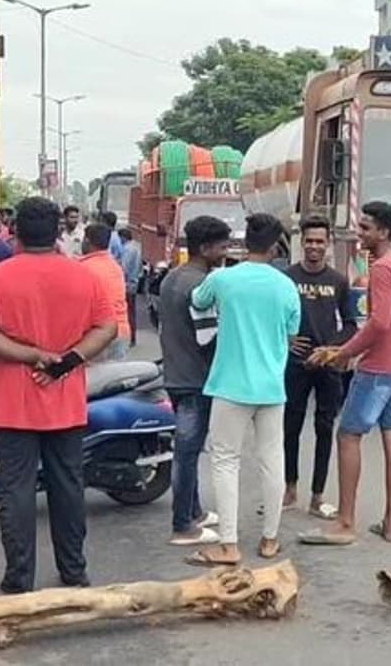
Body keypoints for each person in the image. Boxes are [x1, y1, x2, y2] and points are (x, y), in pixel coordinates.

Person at [0, 197, 117, 594]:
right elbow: (107, 328)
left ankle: (19, 580)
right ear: (59, 232)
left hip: (10, 407)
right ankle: (74, 571)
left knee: (14, 494)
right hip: (66, 403)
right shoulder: (83, 277)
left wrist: (31, 355)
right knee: (68, 488)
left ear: (15, 231)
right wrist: (66, 362)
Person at [300, 201, 391, 546]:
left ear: (384, 232)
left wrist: (343, 352)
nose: (359, 233)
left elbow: (379, 323)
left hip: (379, 368)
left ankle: (345, 523)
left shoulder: (382, 268)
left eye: (366, 228)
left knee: (348, 435)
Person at [185, 213, 300, 567]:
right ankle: (270, 539)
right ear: (276, 246)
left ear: (244, 242)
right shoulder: (286, 286)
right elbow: (292, 334)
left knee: (225, 461)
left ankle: (229, 544)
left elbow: (198, 300)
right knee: (272, 460)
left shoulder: (223, 279)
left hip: (230, 385)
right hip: (271, 387)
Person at [161, 215, 233, 546]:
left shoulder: (172, 278)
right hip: (196, 379)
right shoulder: (202, 286)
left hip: (176, 374)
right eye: (222, 247)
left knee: (187, 449)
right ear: (205, 248)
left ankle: (195, 511)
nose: (226, 252)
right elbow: (209, 338)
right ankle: (182, 526)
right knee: (187, 453)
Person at [282, 215, 357, 520]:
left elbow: (350, 325)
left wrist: (330, 349)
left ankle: (317, 496)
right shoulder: (287, 278)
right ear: (302, 243)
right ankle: (289, 490)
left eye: (320, 241)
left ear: (328, 244)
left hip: (328, 366)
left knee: (325, 428)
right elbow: (273, 317)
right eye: (309, 241)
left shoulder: (338, 281)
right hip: (295, 364)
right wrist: (286, 340)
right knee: (290, 427)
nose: (314, 246)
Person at [79, 224, 132, 361]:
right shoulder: (115, 267)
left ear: (87, 241)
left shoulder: (82, 268)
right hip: (121, 331)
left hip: (97, 336)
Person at [118, 228, 142, 346]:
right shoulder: (137, 247)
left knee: (126, 312)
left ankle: (129, 337)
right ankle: (133, 337)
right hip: (134, 283)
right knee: (132, 312)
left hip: (127, 284)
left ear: (123, 237)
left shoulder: (127, 249)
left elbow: (124, 268)